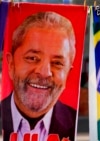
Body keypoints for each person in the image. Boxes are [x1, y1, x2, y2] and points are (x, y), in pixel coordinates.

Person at [1, 11, 77, 141]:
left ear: (68, 73)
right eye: (32, 58)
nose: (44, 72)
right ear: (11, 64)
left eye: (57, 63)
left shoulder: (79, 123)